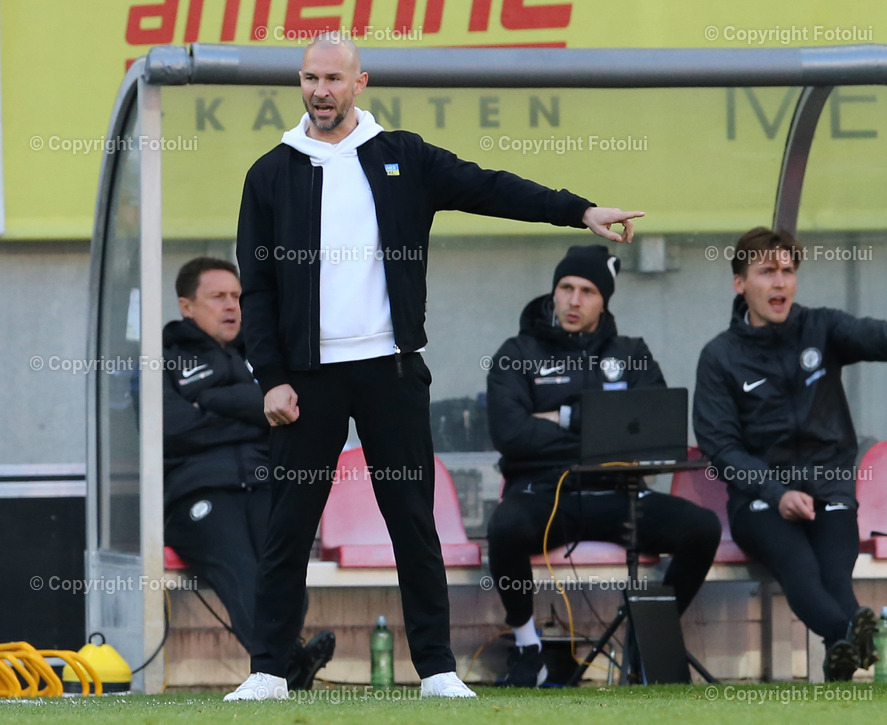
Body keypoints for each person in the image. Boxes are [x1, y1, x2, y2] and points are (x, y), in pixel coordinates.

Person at [228, 32, 645, 701]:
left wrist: (581, 210)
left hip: (390, 371)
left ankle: (437, 669)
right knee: (288, 525)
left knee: (413, 522)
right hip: (308, 379)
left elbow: (491, 187)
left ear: (360, 83)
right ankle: (269, 669)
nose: (320, 91)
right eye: (309, 78)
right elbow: (257, 288)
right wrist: (270, 375)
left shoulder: (404, 157)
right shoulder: (271, 172)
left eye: (333, 79)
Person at [692, 227, 887, 681]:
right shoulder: (720, 356)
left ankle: (840, 650)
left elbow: (867, 333)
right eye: (767, 272)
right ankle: (850, 634)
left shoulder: (821, 328)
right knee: (799, 567)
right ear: (740, 283)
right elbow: (721, 446)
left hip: (829, 487)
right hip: (760, 500)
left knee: (835, 575)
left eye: (788, 271)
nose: (780, 283)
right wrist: (776, 493)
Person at [486, 245, 722, 687]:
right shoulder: (517, 351)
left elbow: (654, 432)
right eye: (566, 288)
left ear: (604, 300)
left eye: (588, 291)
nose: (574, 300)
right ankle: (527, 647)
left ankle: (647, 641)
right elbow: (510, 433)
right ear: (554, 292)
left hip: (622, 494)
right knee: (504, 528)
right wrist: (603, 423)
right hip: (546, 493)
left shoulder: (631, 353)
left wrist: (560, 417)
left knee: (702, 528)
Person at [163, 257, 335, 692]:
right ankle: (286, 665)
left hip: (265, 482)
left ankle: (286, 666)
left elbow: (296, 413)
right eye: (218, 296)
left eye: (237, 296)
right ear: (187, 306)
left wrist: (210, 401)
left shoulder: (265, 354)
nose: (232, 306)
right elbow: (171, 429)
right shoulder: (162, 359)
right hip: (197, 491)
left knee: (284, 565)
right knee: (242, 570)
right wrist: (257, 410)